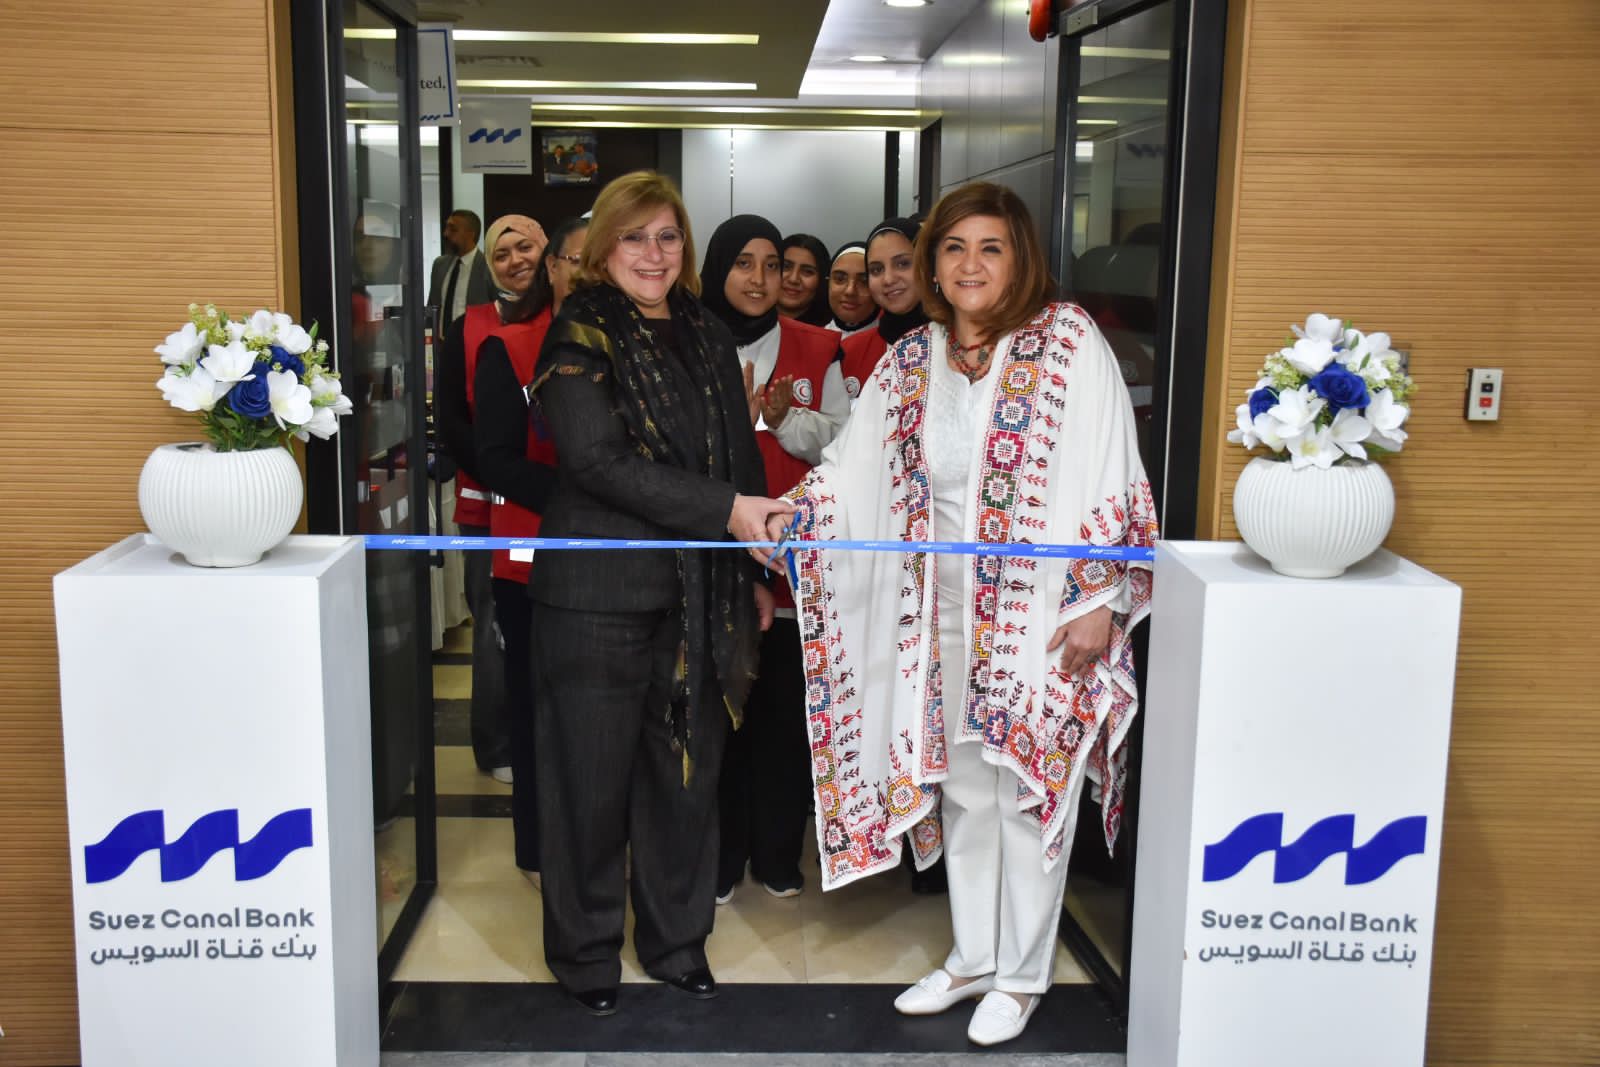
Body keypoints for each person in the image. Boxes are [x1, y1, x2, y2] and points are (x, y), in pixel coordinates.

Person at [759, 182, 1157, 1046]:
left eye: (991, 248)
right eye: (953, 248)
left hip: (1043, 612)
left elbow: (1113, 465)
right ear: (933, 264)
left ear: (1021, 259)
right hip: (937, 610)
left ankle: (1022, 974)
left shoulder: (1068, 341)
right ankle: (975, 955)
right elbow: (852, 466)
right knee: (969, 790)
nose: (970, 265)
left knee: (1030, 789)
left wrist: (1099, 596)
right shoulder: (912, 360)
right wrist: (799, 512)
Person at [527, 172, 791, 1017]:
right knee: (589, 782)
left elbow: (739, 459)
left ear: (686, 246)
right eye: (634, 237)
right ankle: (584, 952)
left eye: (668, 236)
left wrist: (751, 572)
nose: (653, 253)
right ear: (605, 248)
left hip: (699, 596)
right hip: (596, 601)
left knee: (685, 778)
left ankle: (677, 943)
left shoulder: (706, 332)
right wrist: (727, 510)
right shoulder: (580, 329)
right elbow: (595, 461)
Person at [699, 215, 849, 904]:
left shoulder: (820, 345)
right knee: (718, 720)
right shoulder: (687, 339)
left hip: (796, 568)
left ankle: (778, 853)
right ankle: (721, 856)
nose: (760, 279)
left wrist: (789, 418)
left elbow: (847, 446)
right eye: (744, 264)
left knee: (787, 719)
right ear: (718, 269)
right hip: (713, 559)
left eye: (772, 264)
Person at [473, 215, 585, 889]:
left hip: (624, 562)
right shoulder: (511, 347)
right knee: (537, 705)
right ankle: (540, 849)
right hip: (531, 558)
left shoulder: (641, 347)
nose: (589, 272)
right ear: (554, 266)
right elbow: (493, 457)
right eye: (577, 260)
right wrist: (583, 497)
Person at [435, 214, 549, 786]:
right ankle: (497, 743)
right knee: (493, 625)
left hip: (554, 503)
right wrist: (502, 468)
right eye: (501, 254)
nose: (514, 261)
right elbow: (452, 418)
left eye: (525, 247)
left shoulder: (570, 319)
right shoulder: (468, 326)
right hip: (487, 503)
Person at [839, 217, 929, 405]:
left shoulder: (957, 348)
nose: (888, 279)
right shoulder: (849, 351)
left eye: (903, 263)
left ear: (928, 265)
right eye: (876, 269)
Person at [428, 209, 494, 340]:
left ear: (470, 234)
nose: (445, 234)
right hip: (441, 344)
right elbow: (432, 307)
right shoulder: (439, 265)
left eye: (453, 229)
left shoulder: (489, 267)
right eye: (446, 228)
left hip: (475, 344)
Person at [824, 242, 878, 342]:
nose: (850, 291)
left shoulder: (896, 346)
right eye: (840, 279)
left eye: (864, 281)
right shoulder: (812, 340)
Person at [776, 234, 832, 327]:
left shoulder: (832, 330)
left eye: (807, 271)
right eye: (786, 267)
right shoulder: (750, 320)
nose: (793, 279)